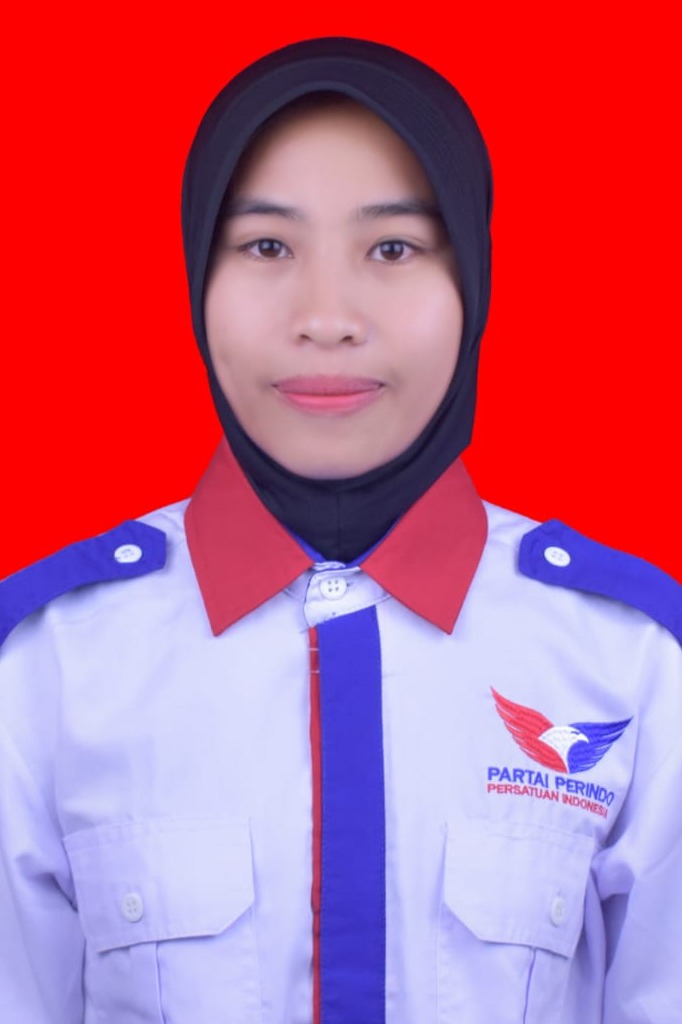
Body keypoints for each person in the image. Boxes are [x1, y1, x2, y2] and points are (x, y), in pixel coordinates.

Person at [0, 36, 680, 1024]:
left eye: (393, 248)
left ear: (473, 279)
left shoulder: (630, 663)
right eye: (267, 247)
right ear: (197, 276)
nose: (326, 318)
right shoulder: (48, 665)